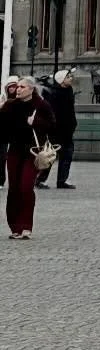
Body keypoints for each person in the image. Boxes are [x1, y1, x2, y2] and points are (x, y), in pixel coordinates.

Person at [1, 77, 55, 240]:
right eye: (17, 87)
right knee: (14, 188)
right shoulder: (11, 105)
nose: (18, 89)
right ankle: (15, 227)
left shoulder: (41, 105)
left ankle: (26, 226)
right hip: (15, 151)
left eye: (22, 87)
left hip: (32, 152)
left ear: (31, 89)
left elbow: (53, 126)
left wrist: (36, 122)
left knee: (25, 187)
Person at [37, 69, 77, 190]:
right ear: (61, 80)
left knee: (67, 156)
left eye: (70, 76)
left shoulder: (69, 91)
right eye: (68, 77)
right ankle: (40, 180)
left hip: (67, 130)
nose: (71, 78)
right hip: (55, 130)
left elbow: (70, 112)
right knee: (50, 155)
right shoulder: (54, 94)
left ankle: (62, 180)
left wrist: (73, 124)